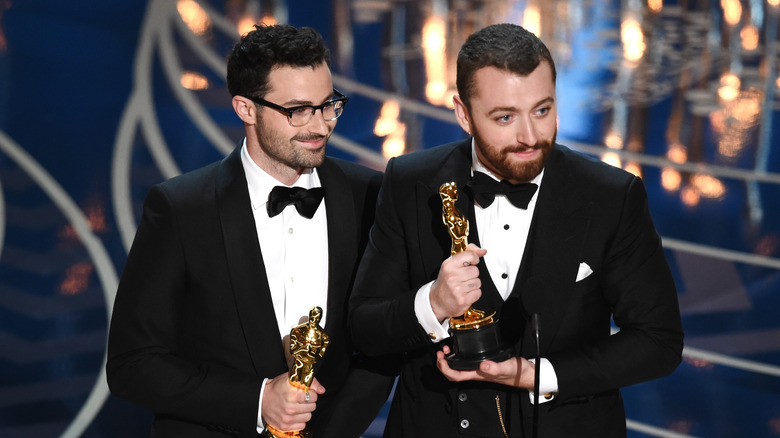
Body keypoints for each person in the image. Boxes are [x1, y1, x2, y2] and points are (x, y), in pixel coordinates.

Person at [349, 23, 683, 437]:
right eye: (505, 117)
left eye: (542, 110)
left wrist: (532, 374)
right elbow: (364, 327)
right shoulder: (409, 182)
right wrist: (432, 304)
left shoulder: (612, 195)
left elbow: (658, 342)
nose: (530, 136)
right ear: (463, 114)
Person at [107, 24, 394, 438]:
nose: (320, 126)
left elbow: (382, 341)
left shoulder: (370, 195)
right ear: (246, 109)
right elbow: (133, 364)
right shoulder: (181, 209)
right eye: (297, 110)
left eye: (328, 105)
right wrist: (258, 400)